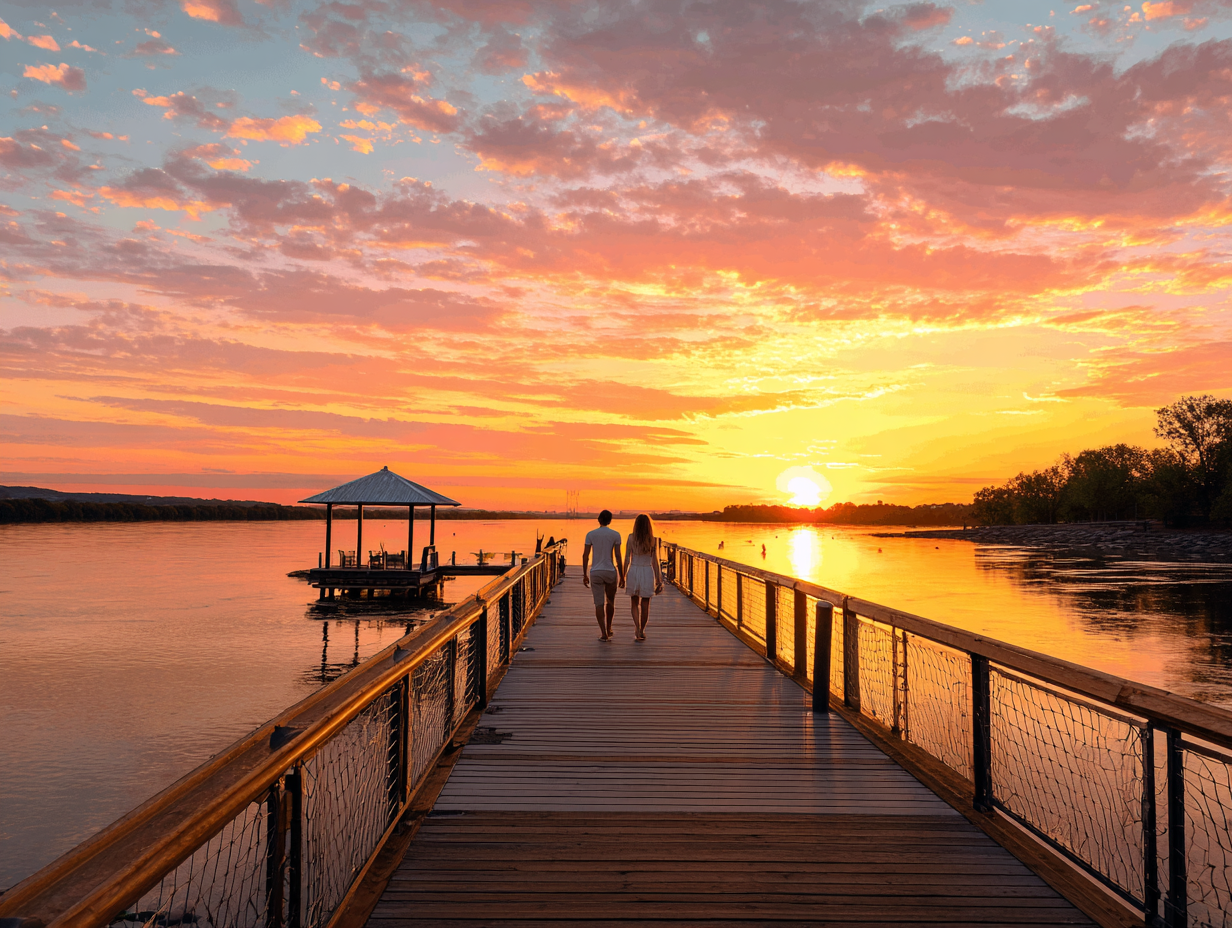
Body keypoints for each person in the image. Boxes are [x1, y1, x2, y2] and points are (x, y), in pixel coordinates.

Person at [621, 513, 663, 641]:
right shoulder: (653, 540)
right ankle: (642, 630)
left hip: (634, 569)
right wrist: (658, 579)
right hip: (647, 571)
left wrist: (622, 575)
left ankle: (637, 627)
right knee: (646, 604)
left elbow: (627, 558)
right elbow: (655, 561)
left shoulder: (631, 538)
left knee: (634, 602)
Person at [582, 510, 622, 641]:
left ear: (599, 519)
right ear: (610, 521)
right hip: (610, 571)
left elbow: (585, 556)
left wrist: (584, 574)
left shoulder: (591, 534)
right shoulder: (615, 535)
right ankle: (609, 628)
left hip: (596, 572)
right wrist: (622, 575)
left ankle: (603, 633)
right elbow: (618, 556)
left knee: (598, 603)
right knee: (610, 602)